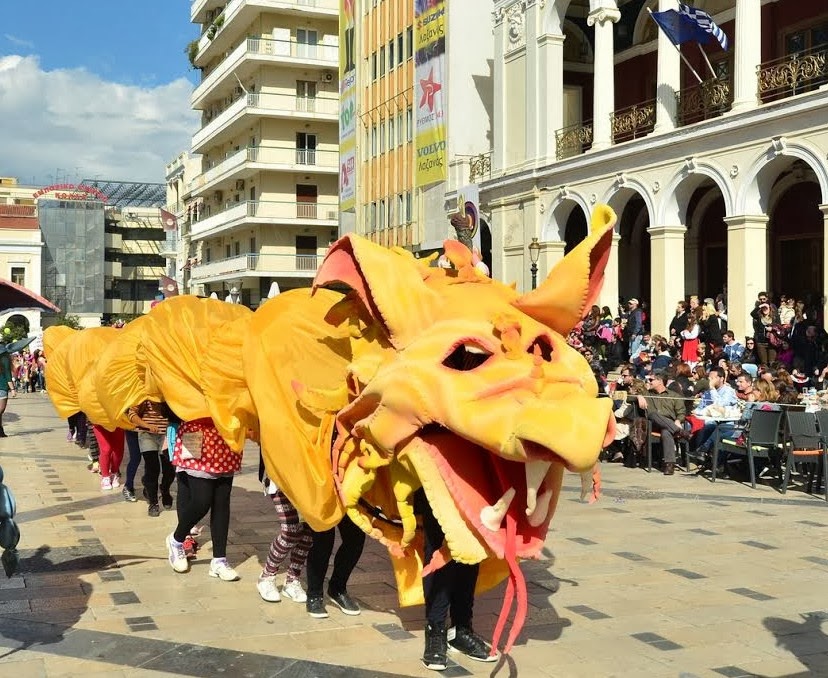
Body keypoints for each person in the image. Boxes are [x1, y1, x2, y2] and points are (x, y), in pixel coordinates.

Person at [417, 489, 496, 670]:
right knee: (438, 547)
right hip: (437, 473)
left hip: (474, 474)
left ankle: (460, 630)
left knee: (471, 545)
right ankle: (435, 630)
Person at [166, 417, 242, 580]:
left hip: (225, 434)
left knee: (221, 503)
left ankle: (219, 560)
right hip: (194, 432)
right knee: (202, 500)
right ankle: (176, 539)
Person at [256, 456, 311, 604]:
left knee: (308, 532)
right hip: (278, 473)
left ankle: (292, 580)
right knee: (291, 530)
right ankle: (267, 576)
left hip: (309, 474)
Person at [127, 400, 175, 516]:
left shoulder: (167, 392)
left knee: (169, 470)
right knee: (152, 468)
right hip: (146, 434)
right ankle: (153, 503)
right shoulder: (142, 395)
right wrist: (147, 426)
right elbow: (132, 414)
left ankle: (164, 489)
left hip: (167, 434)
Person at [0, 349, 15, 437]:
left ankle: (1, 431)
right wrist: (12, 389)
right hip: (2, 387)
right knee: (1, 409)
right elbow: (8, 375)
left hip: (2, 387)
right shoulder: (5, 358)